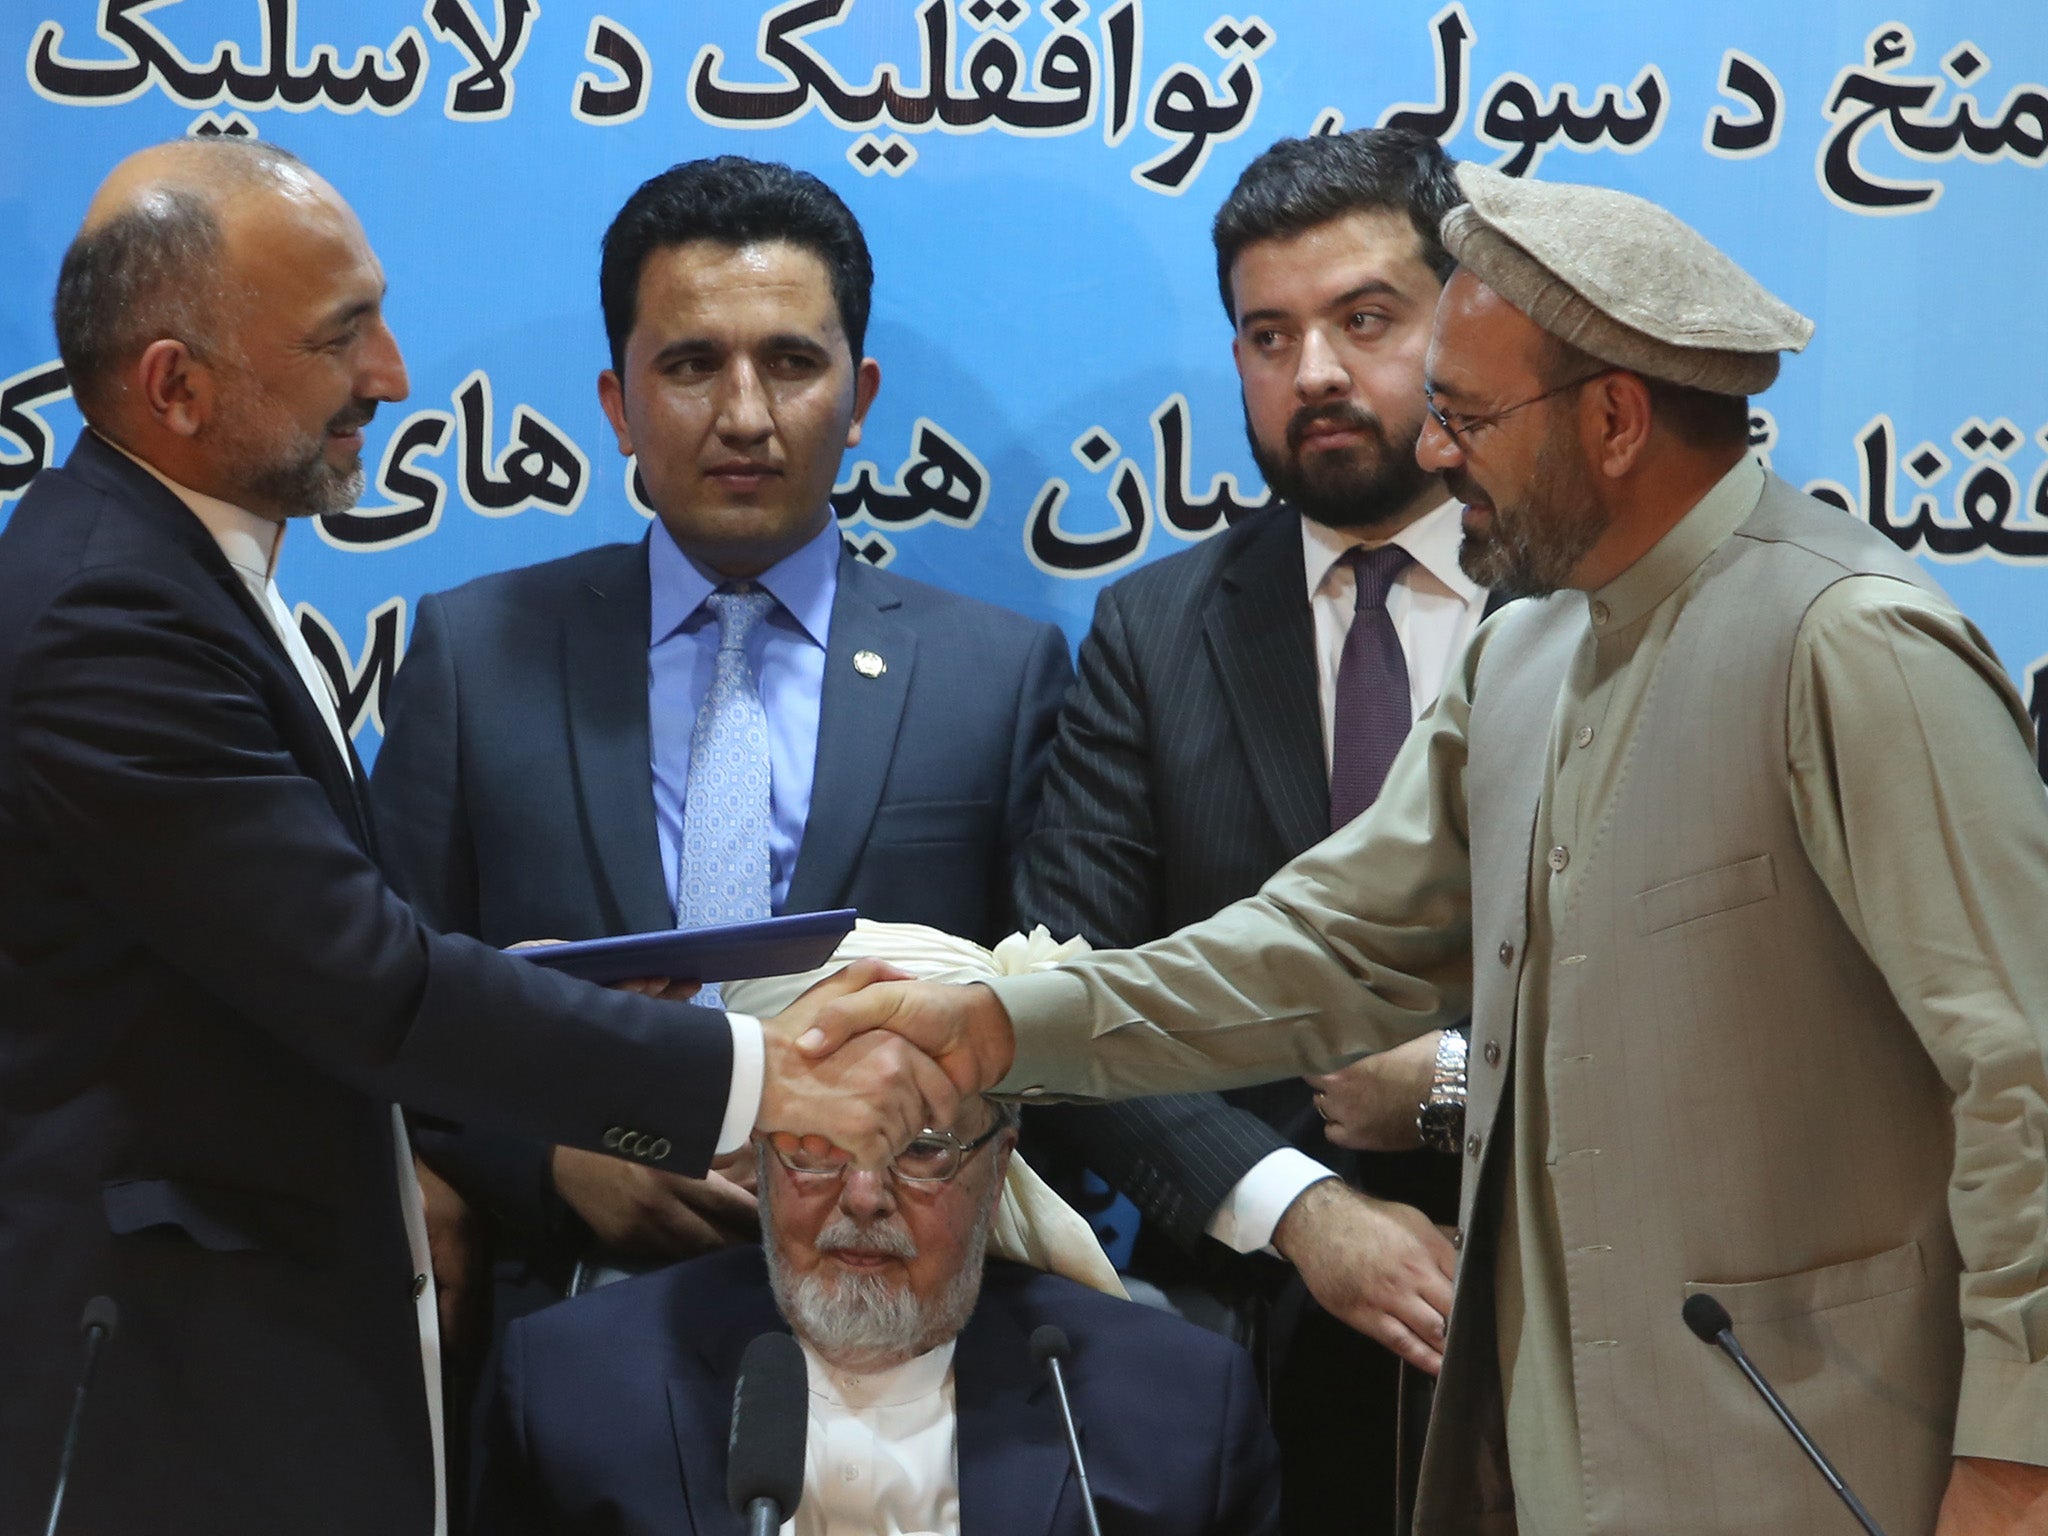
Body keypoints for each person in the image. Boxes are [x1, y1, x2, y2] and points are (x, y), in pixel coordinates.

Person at [803, 163, 2048, 1534]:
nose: (1436, 454)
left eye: (1467, 415)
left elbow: (2026, 1073)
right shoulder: (1528, 651)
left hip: (1825, 1462)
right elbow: (1323, 948)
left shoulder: (1848, 646)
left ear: (1618, 420)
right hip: (1553, 1456)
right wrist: (1001, 1023)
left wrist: (2018, 1453)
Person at [0, 139, 954, 1536]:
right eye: (341, 338)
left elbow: (315, 953)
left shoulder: (179, 572)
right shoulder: (110, 619)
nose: (390, 374)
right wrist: (763, 1081)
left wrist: (555, 989)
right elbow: (374, 984)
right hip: (164, 1388)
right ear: (177, 387)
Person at [369, 157, 1070, 1341]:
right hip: (562, 1330)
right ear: (616, 400)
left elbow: (1056, 1034)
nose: (744, 414)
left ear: (858, 398)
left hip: (906, 1330)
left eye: (792, 363)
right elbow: (382, 1007)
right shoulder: (475, 654)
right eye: (691, 364)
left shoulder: (997, 677)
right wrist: (552, 1164)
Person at [1015, 126, 1493, 1532]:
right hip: (1253, 1338)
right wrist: (1300, 1209)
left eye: (1365, 320)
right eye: (1268, 336)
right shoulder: (1155, 635)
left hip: (1574, 1298)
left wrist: (1463, 1079)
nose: (1317, 375)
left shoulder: (1586, 616)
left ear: (1463, 318)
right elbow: (1067, 999)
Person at [473, 1092, 1281, 1535]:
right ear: (759, 1154)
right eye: (817, 1145)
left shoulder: (1176, 1414)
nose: (863, 1197)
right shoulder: (569, 1390)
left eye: (922, 1148)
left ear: (997, 1168)